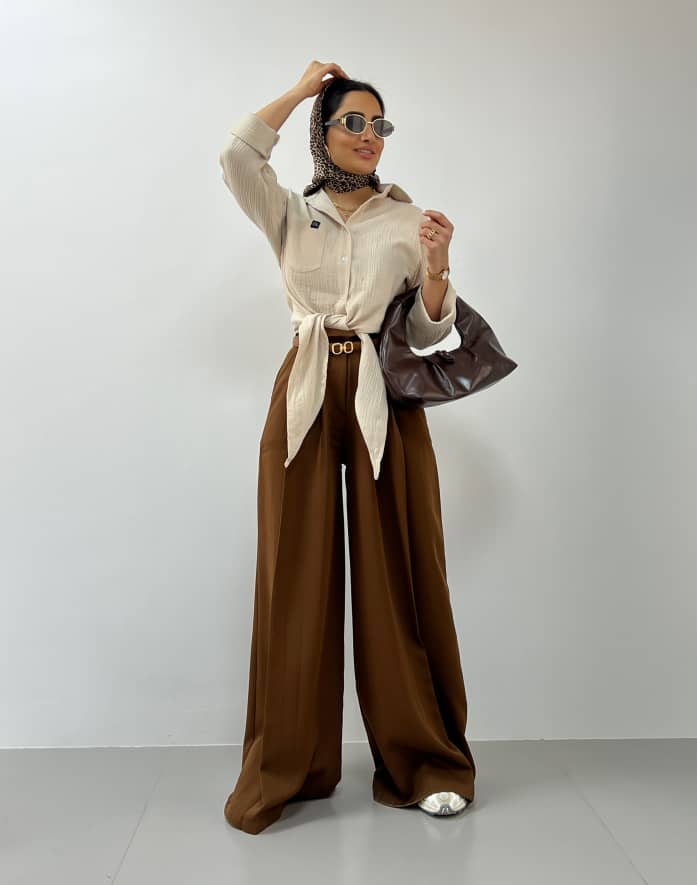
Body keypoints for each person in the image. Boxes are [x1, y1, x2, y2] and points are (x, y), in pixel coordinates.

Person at [219, 60, 477, 835]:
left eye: (379, 125)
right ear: (323, 132)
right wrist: (301, 89)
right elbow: (236, 155)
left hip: (383, 396)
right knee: (292, 572)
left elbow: (426, 332)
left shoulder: (409, 219)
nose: (369, 136)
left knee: (398, 569)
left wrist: (437, 270)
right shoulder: (289, 211)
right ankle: (291, 763)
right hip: (303, 389)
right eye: (353, 122)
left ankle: (425, 760)